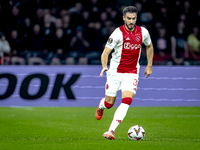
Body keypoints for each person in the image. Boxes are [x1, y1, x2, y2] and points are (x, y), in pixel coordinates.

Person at [95, 6, 154, 140]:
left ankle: (111, 131)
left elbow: (149, 45)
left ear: (136, 18)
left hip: (132, 72)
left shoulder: (143, 32)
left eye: (134, 18)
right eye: (129, 18)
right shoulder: (117, 33)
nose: (131, 21)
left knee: (127, 100)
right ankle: (101, 105)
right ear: (124, 18)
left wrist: (149, 65)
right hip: (115, 72)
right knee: (109, 103)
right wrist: (104, 66)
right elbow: (105, 53)